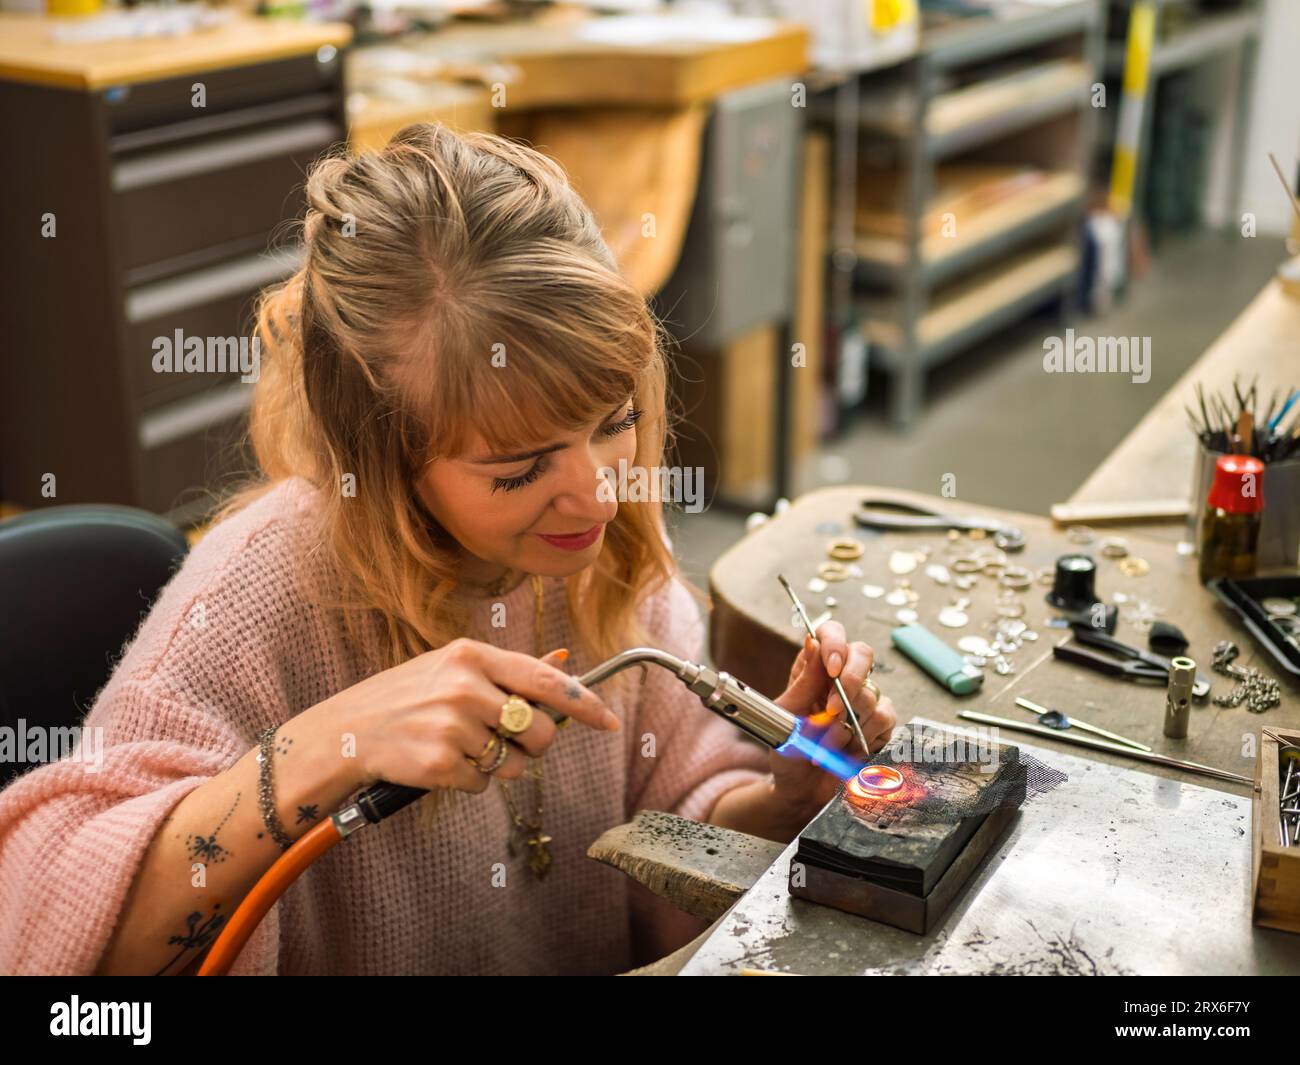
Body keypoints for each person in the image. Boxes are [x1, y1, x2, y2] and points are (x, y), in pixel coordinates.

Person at [0, 124, 895, 976]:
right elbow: (48, 934)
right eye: (516, 469)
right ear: (381, 461)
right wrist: (328, 747)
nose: (595, 490)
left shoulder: (598, 535)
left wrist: (783, 797)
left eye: (614, 421)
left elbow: (674, 821)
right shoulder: (253, 593)